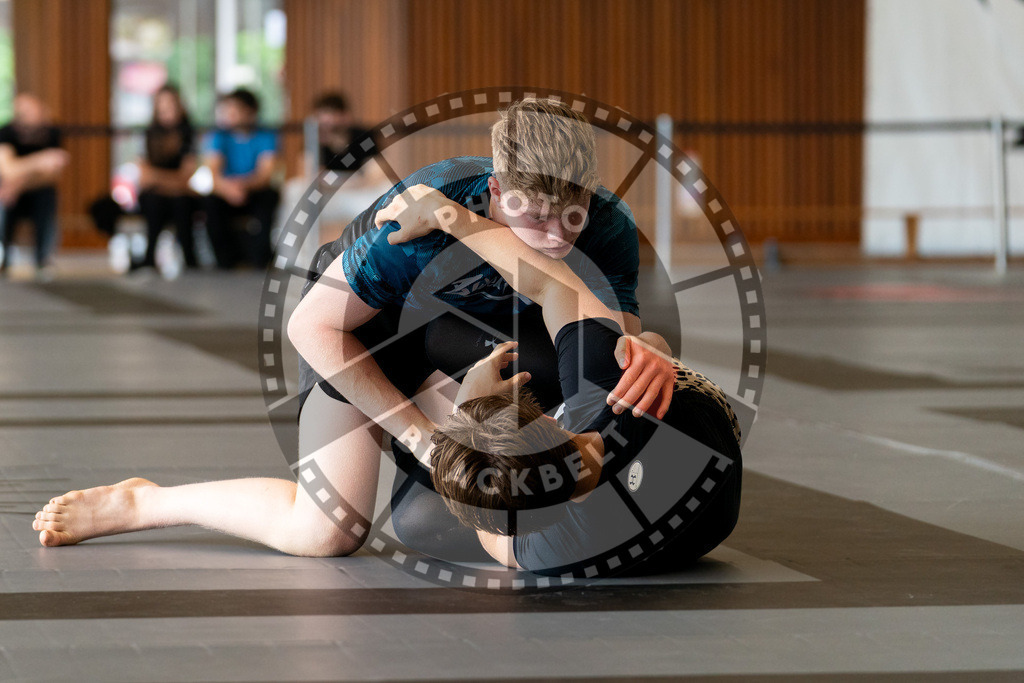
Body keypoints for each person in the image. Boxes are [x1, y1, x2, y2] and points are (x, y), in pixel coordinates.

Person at [31, 99, 677, 563]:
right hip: (374, 336)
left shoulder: (606, 227)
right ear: (496, 187)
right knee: (326, 532)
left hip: (477, 346)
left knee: (513, 486)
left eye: (572, 215)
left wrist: (651, 350)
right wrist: (422, 440)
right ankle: (146, 501)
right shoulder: (418, 219)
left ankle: (440, 470)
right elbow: (308, 327)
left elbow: (606, 342)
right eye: (534, 218)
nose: (557, 236)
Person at [375, 184, 743, 575]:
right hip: (692, 431)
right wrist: (449, 215)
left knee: (420, 524)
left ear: (553, 416)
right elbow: (551, 280)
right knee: (420, 521)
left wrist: (468, 413)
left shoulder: (558, 546)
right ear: (550, 419)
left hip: (711, 494)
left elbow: (497, 533)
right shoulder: (610, 390)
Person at [201, 88, 279, 269]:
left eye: (235, 110)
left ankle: (261, 258)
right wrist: (229, 189)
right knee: (210, 203)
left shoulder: (265, 135)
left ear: (251, 112)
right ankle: (224, 261)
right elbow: (213, 173)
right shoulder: (219, 134)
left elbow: (265, 175)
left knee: (270, 197)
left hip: (254, 190)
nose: (230, 115)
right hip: (226, 191)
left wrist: (242, 185)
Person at [0, 93, 68, 279]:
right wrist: (39, 161)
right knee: (3, 201)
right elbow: (8, 169)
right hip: (7, 193)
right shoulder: (6, 132)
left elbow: (51, 175)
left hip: (28, 191)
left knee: (47, 196)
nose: (23, 115)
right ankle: (3, 258)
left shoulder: (51, 133)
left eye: (28, 110)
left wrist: (18, 183)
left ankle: (43, 259)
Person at [133, 84, 199, 272]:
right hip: (155, 195)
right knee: (154, 201)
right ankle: (149, 258)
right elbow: (144, 178)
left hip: (180, 195)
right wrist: (173, 181)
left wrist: (158, 178)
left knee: (181, 202)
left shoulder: (189, 134)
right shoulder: (148, 134)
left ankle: (189, 258)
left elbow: (185, 178)